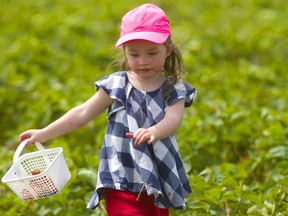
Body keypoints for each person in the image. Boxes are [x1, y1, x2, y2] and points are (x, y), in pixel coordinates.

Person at [19, 3, 196, 216]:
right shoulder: (117, 85)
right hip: (120, 175)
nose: (143, 62)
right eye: (134, 54)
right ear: (124, 52)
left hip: (157, 173)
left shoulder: (173, 89)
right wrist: (44, 133)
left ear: (167, 49)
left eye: (151, 53)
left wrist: (154, 132)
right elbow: (83, 112)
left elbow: (173, 119)